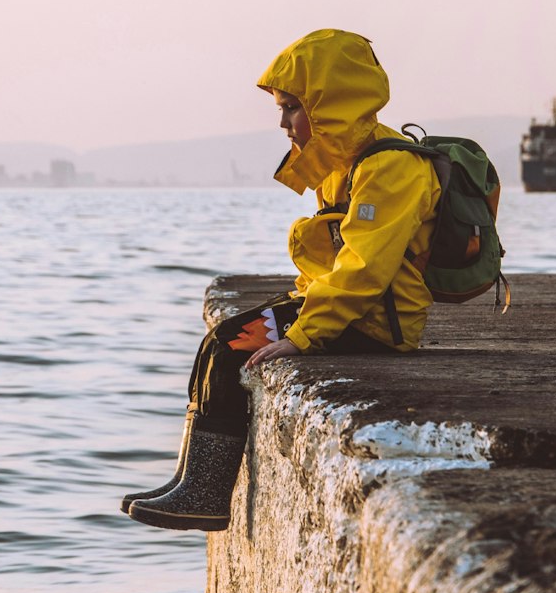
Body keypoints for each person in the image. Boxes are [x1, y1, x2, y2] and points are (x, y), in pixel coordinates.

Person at [122, 28, 441, 532]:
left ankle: (205, 496)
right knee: (217, 341)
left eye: (292, 107)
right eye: (281, 108)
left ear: (331, 104)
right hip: (352, 310)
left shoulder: (391, 167)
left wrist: (302, 335)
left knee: (233, 344)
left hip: (378, 322)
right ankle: (189, 478)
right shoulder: (345, 162)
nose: (284, 123)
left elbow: (364, 270)